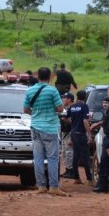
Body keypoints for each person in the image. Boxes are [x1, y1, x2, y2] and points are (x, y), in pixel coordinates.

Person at [23, 66, 67, 196]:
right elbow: (60, 108)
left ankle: (41, 186)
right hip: (50, 128)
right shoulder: (52, 91)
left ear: (38, 76)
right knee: (53, 158)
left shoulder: (30, 90)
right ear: (49, 77)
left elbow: (25, 109)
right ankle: (53, 186)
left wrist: (36, 114)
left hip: (35, 127)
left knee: (38, 158)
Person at [68, 89, 93, 184]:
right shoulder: (84, 106)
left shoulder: (72, 106)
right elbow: (85, 121)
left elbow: (66, 118)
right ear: (85, 97)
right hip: (81, 134)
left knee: (76, 156)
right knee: (86, 157)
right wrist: (89, 134)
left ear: (77, 96)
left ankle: (76, 178)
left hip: (74, 133)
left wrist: (74, 124)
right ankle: (89, 179)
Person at [59, 92, 75, 179]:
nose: (63, 100)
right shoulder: (65, 109)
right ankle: (67, 170)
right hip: (65, 132)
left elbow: (74, 122)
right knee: (64, 152)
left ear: (69, 99)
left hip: (70, 132)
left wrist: (65, 120)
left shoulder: (73, 109)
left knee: (69, 152)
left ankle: (71, 171)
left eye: (64, 98)